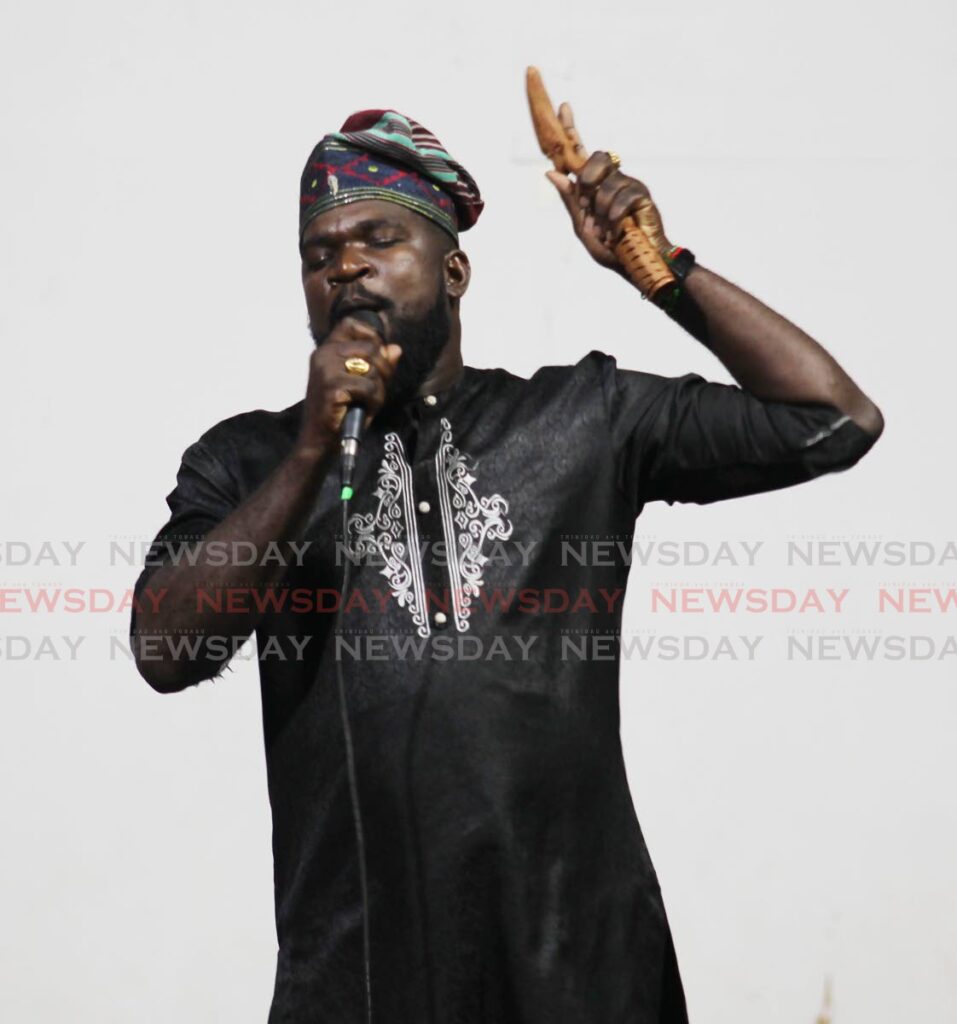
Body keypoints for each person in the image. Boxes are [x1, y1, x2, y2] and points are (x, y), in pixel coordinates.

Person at [130, 107, 883, 1023]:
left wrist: (664, 276)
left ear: (454, 271)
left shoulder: (581, 421)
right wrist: (310, 454)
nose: (346, 266)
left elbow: (832, 421)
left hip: (582, 971)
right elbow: (167, 650)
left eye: (379, 237)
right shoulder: (246, 461)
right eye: (318, 253)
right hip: (359, 979)